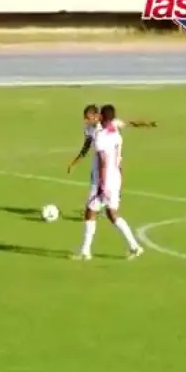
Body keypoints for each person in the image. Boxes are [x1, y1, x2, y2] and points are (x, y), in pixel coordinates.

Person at [73, 104, 144, 260]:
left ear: (100, 116)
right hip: (116, 178)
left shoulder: (101, 137)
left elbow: (103, 162)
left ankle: (85, 251)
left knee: (90, 212)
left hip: (102, 181)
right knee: (112, 214)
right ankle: (135, 246)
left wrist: (102, 185)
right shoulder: (115, 132)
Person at [67, 104, 156, 174]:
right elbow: (85, 148)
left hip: (115, 166)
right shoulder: (88, 129)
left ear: (96, 116)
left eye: (87, 118)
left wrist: (147, 124)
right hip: (100, 167)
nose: (85, 121)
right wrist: (73, 164)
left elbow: (131, 123)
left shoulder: (111, 122)